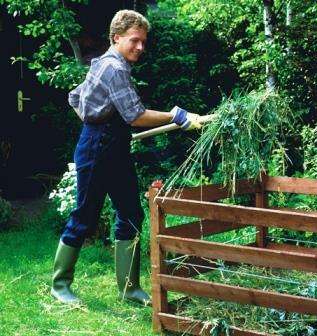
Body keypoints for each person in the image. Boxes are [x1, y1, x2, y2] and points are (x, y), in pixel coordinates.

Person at [51, 9, 200, 306]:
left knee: (131, 213)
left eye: (144, 42)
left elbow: (75, 97)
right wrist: (175, 115)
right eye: (135, 40)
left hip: (115, 147)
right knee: (84, 217)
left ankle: (129, 288)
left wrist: (108, 123)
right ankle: (60, 284)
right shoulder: (114, 68)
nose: (140, 47)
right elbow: (134, 114)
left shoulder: (106, 64)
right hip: (96, 149)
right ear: (116, 37)